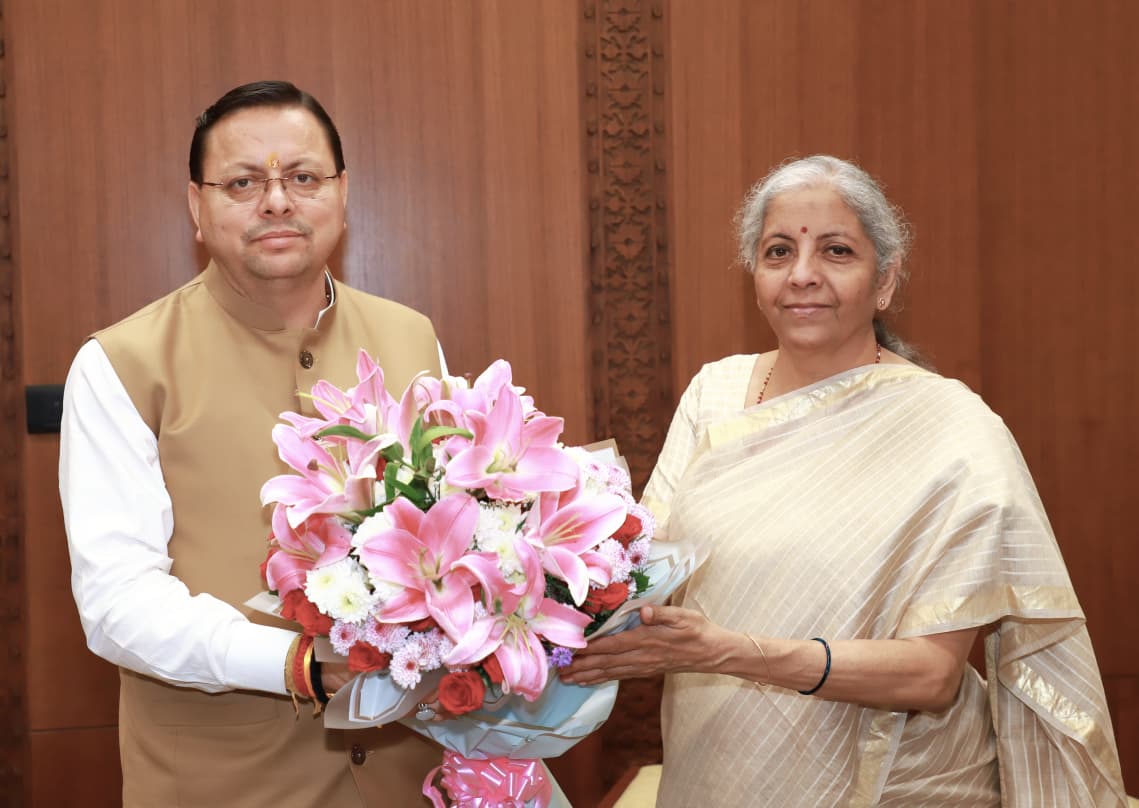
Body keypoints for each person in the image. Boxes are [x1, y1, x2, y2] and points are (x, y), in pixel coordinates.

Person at [563, 155, 1128, 806]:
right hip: (718, 767)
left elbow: (931, 677)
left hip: (897, 783)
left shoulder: (952, 429)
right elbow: (641, 569)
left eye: (836, 251)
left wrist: (726, 652)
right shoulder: (713, 393)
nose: (802, 274)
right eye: (779, 251)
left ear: (884, 280)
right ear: (755, 275)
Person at [60, 81, 445, 806]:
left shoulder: (411, 337)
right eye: (242, 183)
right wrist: (299, 665)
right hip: (224, 782)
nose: (276, 202)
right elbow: (118, 603)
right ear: (196, 206)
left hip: (409, 777)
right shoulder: (123, 364)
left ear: (342, 192)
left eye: (303, 177)